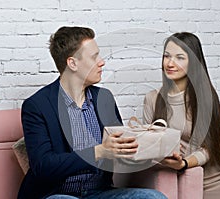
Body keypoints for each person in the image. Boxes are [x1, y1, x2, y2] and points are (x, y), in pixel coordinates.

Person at [18, 26, 167, 199]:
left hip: (99, 192)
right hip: (56, 194)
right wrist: (99, 151)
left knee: (154, 197)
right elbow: (43, 167)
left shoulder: (104, 98)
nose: (102, 62)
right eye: (94, 57)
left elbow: (120, 153)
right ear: (72, 63)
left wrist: (154, 150)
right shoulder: (37, 106)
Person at [143, 32, 220, 199]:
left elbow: (209, 148)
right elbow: (149, 144)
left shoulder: (206, 96)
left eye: (180, 57)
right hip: (185, 181)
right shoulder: (152, 98)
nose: (170, 63)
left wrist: (184, 163)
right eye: (166, 56)